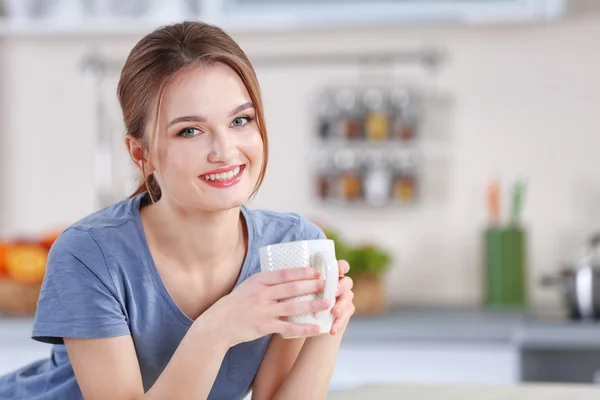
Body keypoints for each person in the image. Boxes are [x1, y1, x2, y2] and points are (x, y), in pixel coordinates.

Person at [0, 20, 355, 400]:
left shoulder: (294, 245)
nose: (225, 151)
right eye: (190, 130)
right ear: (142, 154)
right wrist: (218, 328)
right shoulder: (89, 255)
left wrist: (329, 325)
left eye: (240, 120)